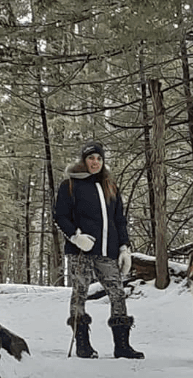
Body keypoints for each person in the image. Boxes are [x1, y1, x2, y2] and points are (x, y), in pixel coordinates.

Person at [53, 141, 145, 360]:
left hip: (108, 251)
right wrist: (75, 236)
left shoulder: (110, 185)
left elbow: (119, 219)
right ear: (84, 160)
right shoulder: (70, 185)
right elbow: (60, 216)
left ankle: (122, 345)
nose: (95, 162)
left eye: (99, 159)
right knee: (80, 293)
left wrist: (124, 247)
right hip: (80, 251)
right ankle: (82, 343)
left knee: (117, 293)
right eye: (91, 158)